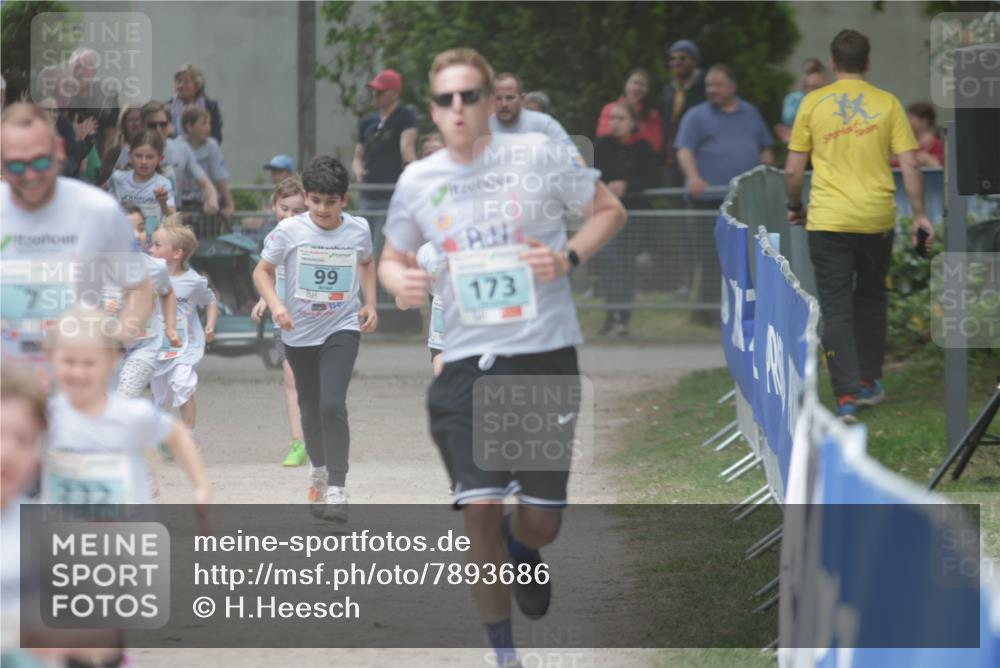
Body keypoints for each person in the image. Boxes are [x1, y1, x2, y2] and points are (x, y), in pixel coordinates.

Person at [379, 48, 626, 668]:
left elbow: (608, 212)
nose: (457, 109)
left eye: (469, 96)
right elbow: (391, 256)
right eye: (444, 99)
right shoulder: (419, 181)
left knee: (539, 524)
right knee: (480, 508)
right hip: (464, 363)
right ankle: (504, 655)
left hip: (542, 355)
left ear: (492, 102)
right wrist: (395, 281)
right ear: (432, 110)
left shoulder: (538, 155)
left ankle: (525, 545)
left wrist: (566, 258)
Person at [784, 29, 934, 422]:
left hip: (828, 219)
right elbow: (912, 164)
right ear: (867, 63)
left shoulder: (812, 104)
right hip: (876, 219)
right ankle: (869, 382)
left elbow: (793, 168)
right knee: (871, 298)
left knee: (835, 305)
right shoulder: (887, 103)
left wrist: (795, 206)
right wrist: (919, 214)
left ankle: (846, 396)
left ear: (833, 63)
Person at [254, 156, 379, 521]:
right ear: (306, 196)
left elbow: (367, 263)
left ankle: (338, 488)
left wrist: (370, 303)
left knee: (331, 404)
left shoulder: (358, 230)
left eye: (332, 201)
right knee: (310, 410)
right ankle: (319, 472)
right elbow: (262, 271)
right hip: (298, 333)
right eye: (317, 200)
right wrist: (276, 304)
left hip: (341, 327)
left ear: (344, 200)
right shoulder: (289, 231)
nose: (323, 209)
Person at [1, 102, 153, 374]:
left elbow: (140, 289)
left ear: (59, 151)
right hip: (10, 386)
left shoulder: (98, 210)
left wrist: (116, 343)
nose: (30, 174)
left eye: (40, 161)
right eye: (16, 165)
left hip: (79, 382)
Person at [675, 64, 774, 323]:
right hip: (709, 200)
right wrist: (694, 177)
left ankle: (746, 310)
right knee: (711, 257)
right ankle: (707, 313)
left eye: (717, 85)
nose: (712, 90)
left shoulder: (750, 113)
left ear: (732, 86)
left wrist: (766, 173)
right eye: (709, 85)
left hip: (746, 201)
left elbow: (765, 148)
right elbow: (683, 150)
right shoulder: (696, 116)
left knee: (746, 256)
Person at [249, 177, 310, 467]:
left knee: (317, 383)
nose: (289, 216)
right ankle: (298, 443)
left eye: (298, 211)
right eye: (284, 208)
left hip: (315, 317)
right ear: (274, 206)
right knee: (290, 379)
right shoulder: (274, 237)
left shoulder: (313, 235)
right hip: (284, 318)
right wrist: (265, 299)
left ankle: (320, 434)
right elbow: (267, 272)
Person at [593, 102, 659, 336]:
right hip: (606, 216)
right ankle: (612, 314)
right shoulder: (601, 146)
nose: (615, 123)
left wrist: (628, 186)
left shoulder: (643, 148)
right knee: (609, 265)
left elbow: (653, 178)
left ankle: (623, 317)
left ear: (633, 123)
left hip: (633, 216)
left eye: (621, 119)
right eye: (612, 118)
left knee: (625, 267)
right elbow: (590, 174)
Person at [149, 221, 218, 439]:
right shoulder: (147, 276)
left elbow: (211, 300)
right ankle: (163, 437)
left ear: (177, 253)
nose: (151, 250)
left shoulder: (194, 281)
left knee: (183, 383)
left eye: (157, 245)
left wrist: (210, 325)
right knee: (161, 399)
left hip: (185, 344)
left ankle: (189, 435)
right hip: (156, 345)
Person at [136, 101, 219, 217]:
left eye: (163, 124)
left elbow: (204, 181)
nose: (158, 129)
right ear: (143, 126)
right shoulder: (131, 151)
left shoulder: (181, 149)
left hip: (172, 216)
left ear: (170, 125)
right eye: (152, 125)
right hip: (142, 216)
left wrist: (212, 198)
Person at [352, 69, 419, 211]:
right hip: (367, 193)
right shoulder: (366, 121)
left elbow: (407, 147)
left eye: (380, 91)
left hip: (392, 192)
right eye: (374, 90)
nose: (375, 94)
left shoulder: (406, 116)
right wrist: (358, 170)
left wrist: (414, 175)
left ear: (395, 93)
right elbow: (358, 156)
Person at [105, 130, 177, 232]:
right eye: (138, 156)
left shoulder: (163, 184)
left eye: (150, 157)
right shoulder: (118, 178)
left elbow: (174, 220)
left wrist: (163, 203)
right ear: (130, 156)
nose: (144, 162)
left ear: (160, 159)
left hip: (152, 244)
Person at [660, 39, 707, 179]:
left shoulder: (705, 89)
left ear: (694, 61)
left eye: (682, 58)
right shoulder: (668, 90)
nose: (676, 62)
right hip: (673, 155)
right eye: (672, 58)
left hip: (698, 154)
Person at [180, 105, 235, 218]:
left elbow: (220, 177)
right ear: (189, 126)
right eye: (203, 124)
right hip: (183, 202)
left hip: (206, 203)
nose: (208, 128)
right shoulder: (178, 145)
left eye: (209, 124)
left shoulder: (212, 146)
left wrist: (230, 205)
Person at [489, 72, 572, 144]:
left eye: (510, 98)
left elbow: (574, 158)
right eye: (498, 98)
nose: (504, 104)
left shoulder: (544, 124)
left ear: (522, 99)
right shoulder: (482, 126)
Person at [596, 68, 663, 154]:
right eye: (635, 82)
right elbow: (602, 136)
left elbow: (655, 146)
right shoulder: (609, 108)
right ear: (626, 85)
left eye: (643, 84)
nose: (637, 87)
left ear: (647, 90)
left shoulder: (653, 116)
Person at [775, 58, 830, 145]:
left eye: (816, 87)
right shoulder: (794, 98)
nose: (811, 90)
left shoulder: (830, 99)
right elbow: (788, 121)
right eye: (808, 87)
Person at [169, 63, 223, 144]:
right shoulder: (169, 107)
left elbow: (217, 138)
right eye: (179, 81)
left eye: (187, 82)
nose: (181, 85)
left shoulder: (210, 107)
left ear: (197, 85)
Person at [890, 102, 944, 168]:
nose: (906, 122)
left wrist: (929, 161)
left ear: (924, 121)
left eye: (910, 118)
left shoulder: (935, 145)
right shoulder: (903, 142)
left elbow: (939, 169)